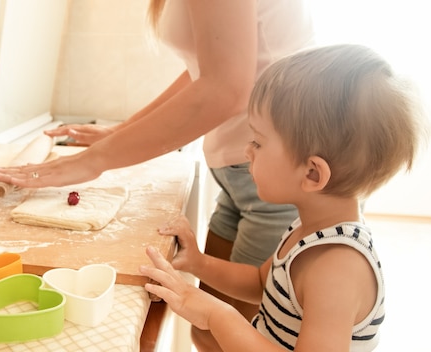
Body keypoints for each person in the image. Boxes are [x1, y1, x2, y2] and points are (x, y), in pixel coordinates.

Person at [0, 0, 315, 325]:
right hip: (240, 174)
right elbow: (204, 70)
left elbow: (225, 88)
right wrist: (119, 133)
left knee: (240, 333)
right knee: (207, 332)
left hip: (282, 174)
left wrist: (94, 161)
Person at [139, 43, 426, 352]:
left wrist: (216, 314)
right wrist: (199, 264)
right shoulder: (309, 227)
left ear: (313, 174)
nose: (248, 151)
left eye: (258, 142)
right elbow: (261, 284)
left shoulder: (338, 267)